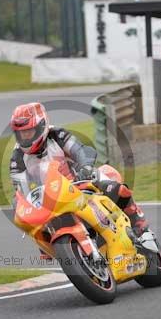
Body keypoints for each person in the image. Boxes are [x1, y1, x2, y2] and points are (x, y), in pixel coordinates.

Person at [9, 102, 153, 244]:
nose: (25, 137)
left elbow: (79, 150)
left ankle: (139, 224)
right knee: (26, 215)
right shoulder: (17, 157)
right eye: (21, 134)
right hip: (50, 201)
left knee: (113, 184)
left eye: (29, 132)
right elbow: (21, 190)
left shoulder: (57, 135)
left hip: (77, 183)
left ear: (41, 126)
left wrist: (85, 168)